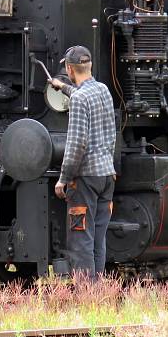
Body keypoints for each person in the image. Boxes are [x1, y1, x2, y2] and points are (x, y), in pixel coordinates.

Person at [50, 45, 116, 278]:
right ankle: (98, 290)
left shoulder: (78, 99)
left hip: (85, 179)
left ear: (69, 68)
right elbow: (82, 94)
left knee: (81, 239)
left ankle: (86, 292)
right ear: (88, 66)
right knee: (98, 238)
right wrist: (64, 88)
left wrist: (63, 179)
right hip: (107, 175)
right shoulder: (103, 90)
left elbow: (77, 144)